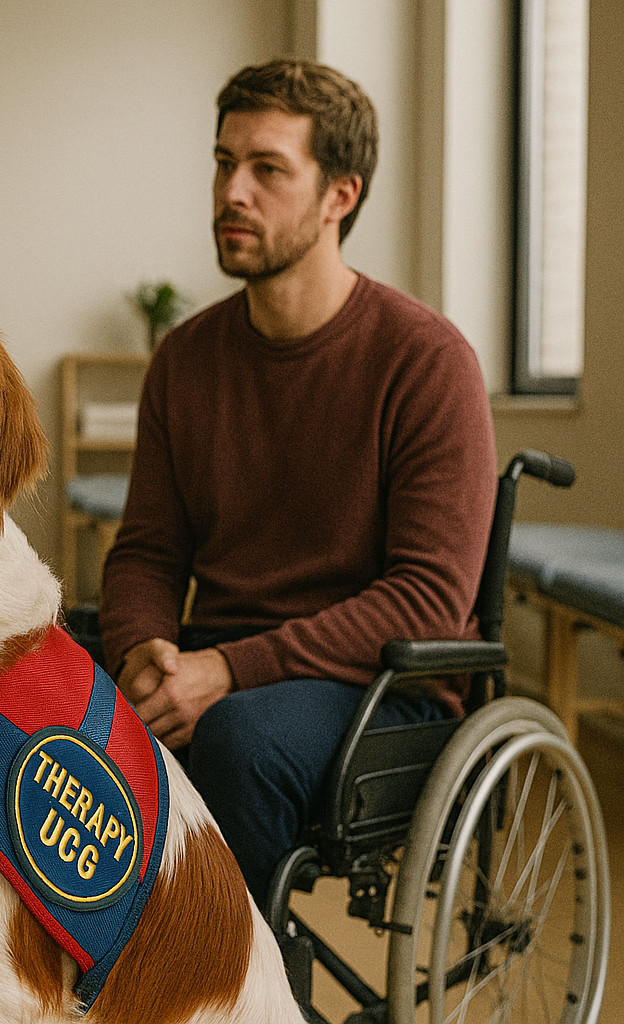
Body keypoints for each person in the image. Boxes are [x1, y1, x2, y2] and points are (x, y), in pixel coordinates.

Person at [97, 59, 497, 903]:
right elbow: (147, 551)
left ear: (339, 196)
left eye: (267, 169)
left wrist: (229, 673)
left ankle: (235, 992)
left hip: (385, 689)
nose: (231, 191)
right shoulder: (186, 360)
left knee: (238, 738)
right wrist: (144, 652)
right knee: (26, 673)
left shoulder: (426, 361)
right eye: (222, 162)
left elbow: (427, 598)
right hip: (217, 662)